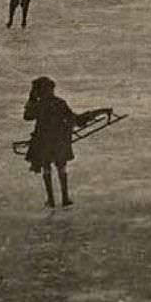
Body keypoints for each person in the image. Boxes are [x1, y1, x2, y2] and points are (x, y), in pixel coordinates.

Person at [22, 76, 108, 209]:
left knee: (47, 169)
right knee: (61, 167)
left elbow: (27, 116)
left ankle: (51, 200)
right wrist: (97, 113)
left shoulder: (39, 105)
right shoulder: (59, 103)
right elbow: (75, 119)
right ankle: (65, 198)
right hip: (59, 142)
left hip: (44, 143)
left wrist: (31, 98)